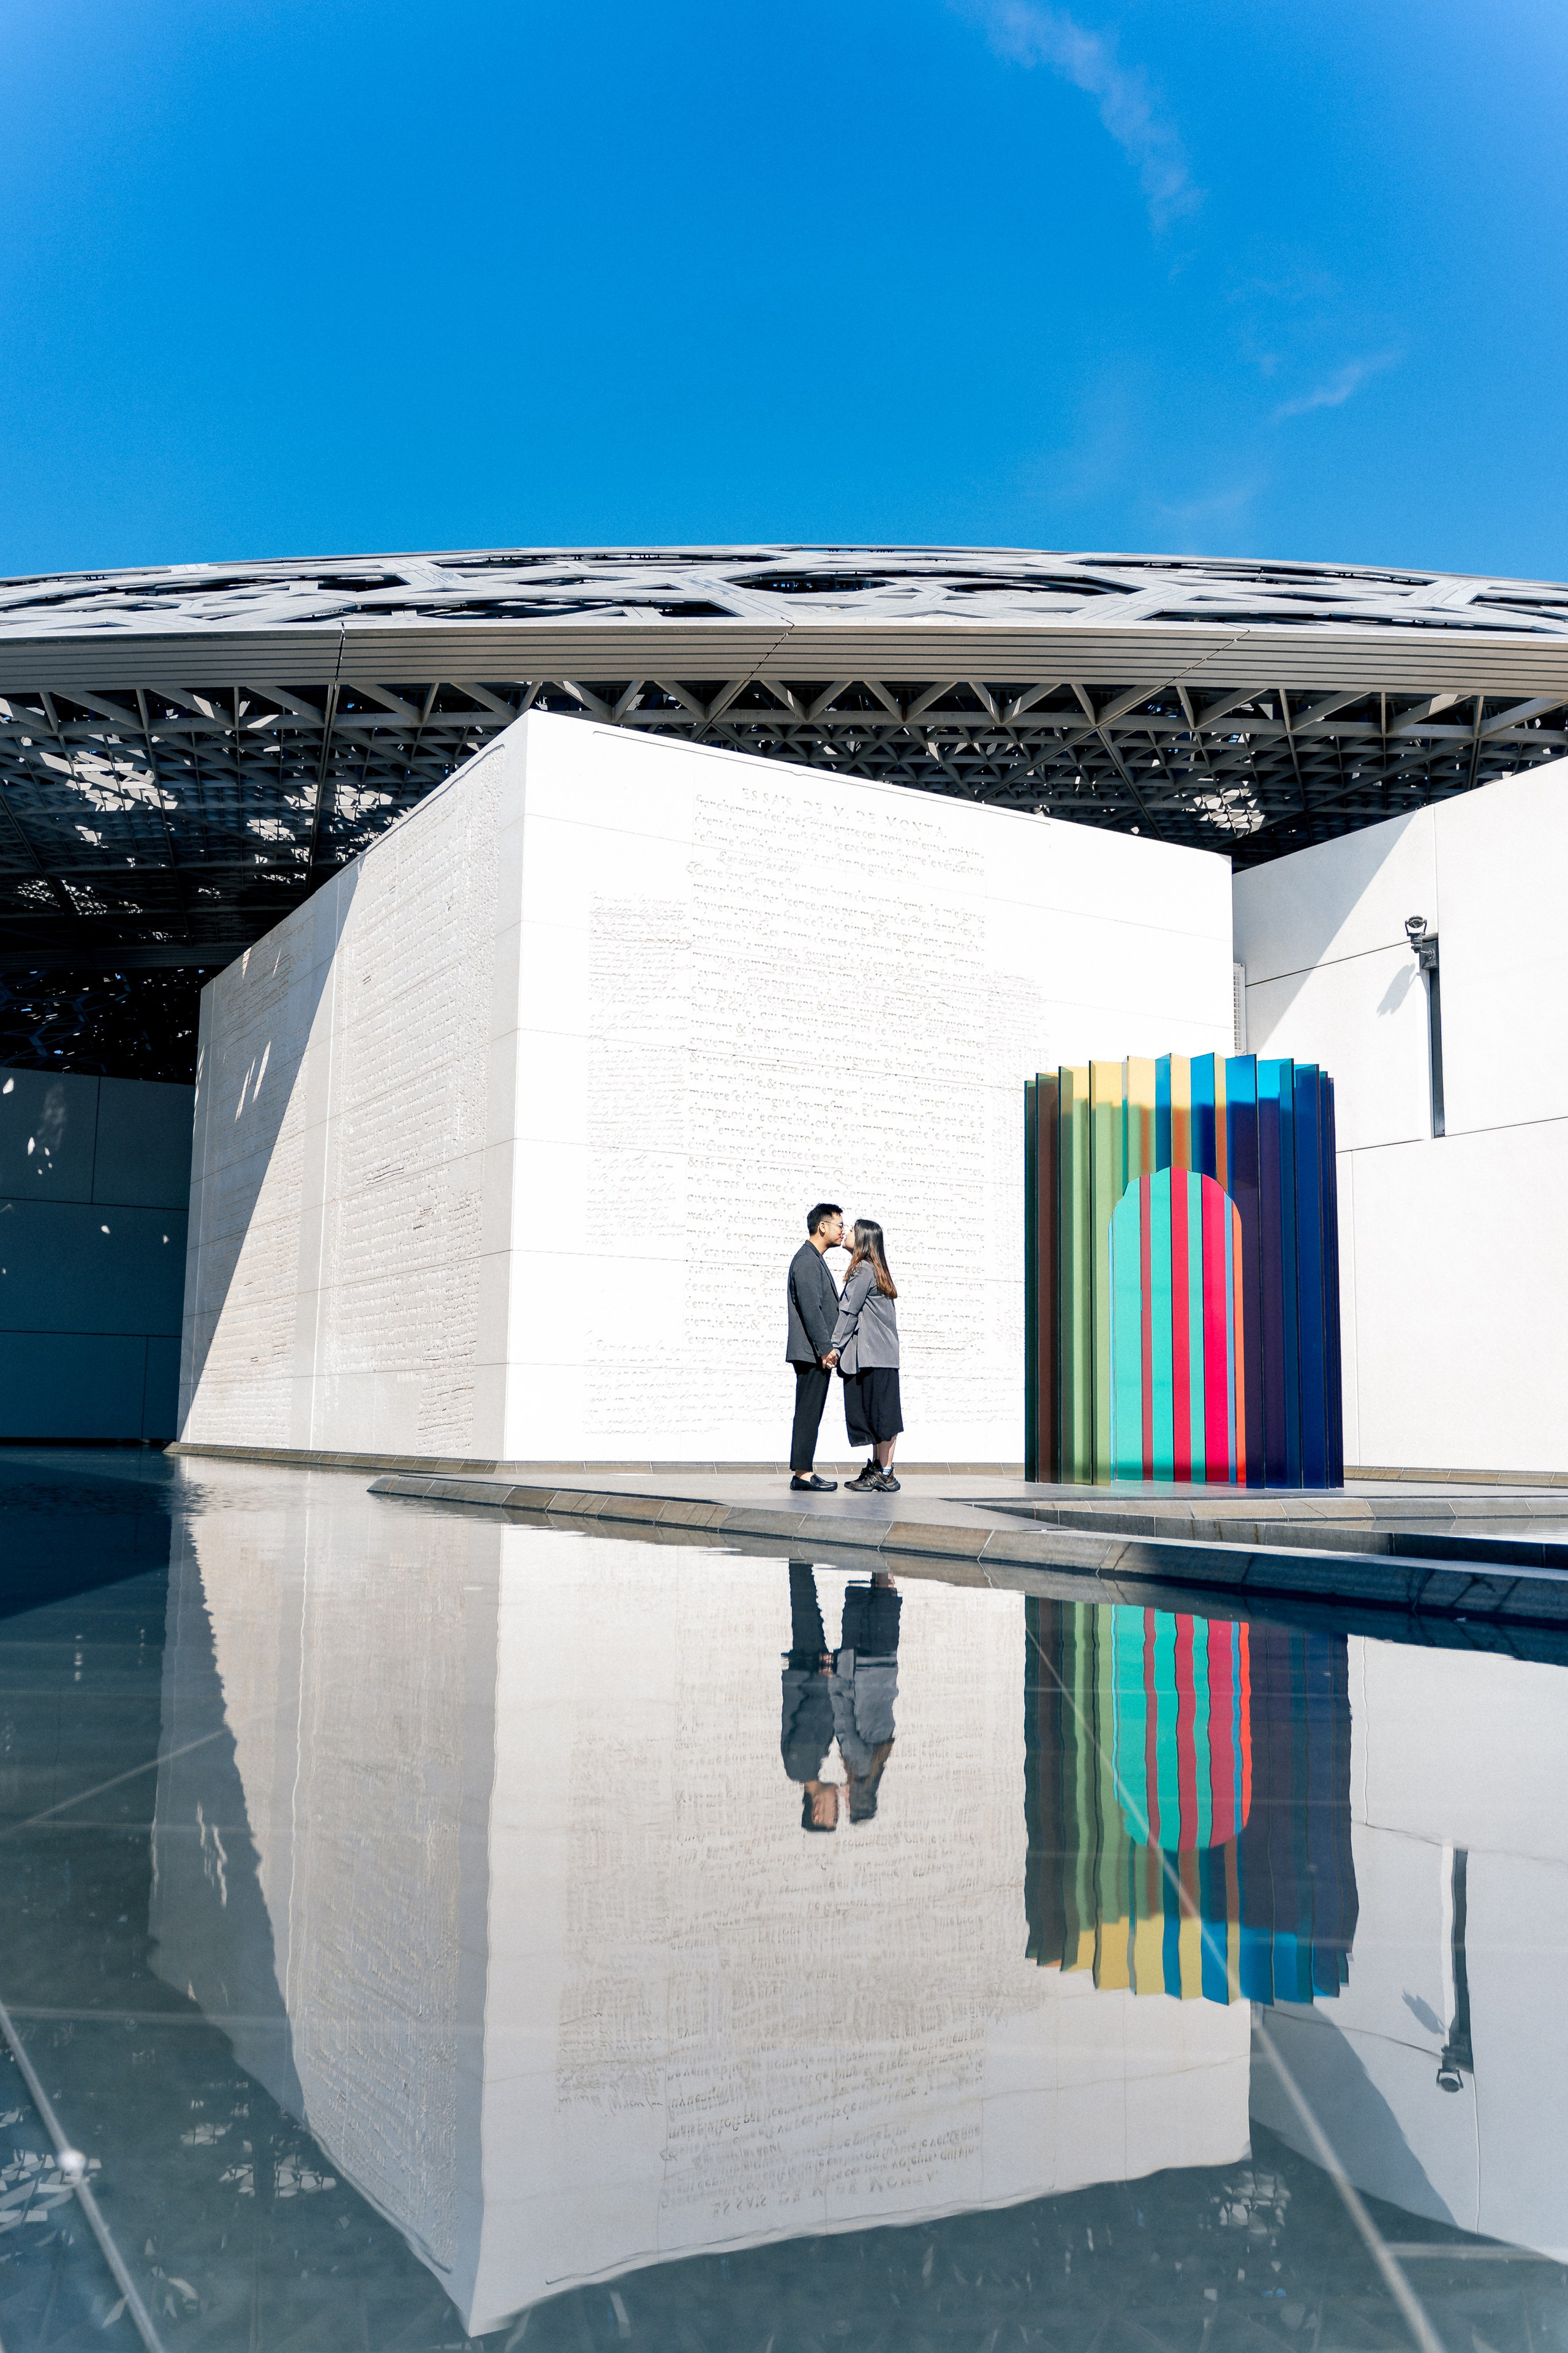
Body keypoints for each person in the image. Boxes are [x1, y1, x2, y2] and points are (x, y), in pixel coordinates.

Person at [826, 1217, 903, 1494]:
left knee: (882, 1417)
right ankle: (880, 1469)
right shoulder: (877, 1269)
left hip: (874, 1356)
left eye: (852, 1231)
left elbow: (849, 1312)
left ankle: (884, 1473)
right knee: (882, 1415)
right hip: (883, 1356)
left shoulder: (863, 1270)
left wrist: (835, 1348)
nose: (846, 1232)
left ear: (863, 1240)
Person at [785, 1203, 844, 1492]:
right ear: (823, 1226)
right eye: (839, 1225)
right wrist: (825, 1349)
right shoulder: (807, 1261)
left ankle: (804, 1470)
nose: (842, 1231)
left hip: (813, 1352)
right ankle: (802, 1473)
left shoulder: (813, 1258)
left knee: (810, 1411)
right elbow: (812, 1309)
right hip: (812, 1354)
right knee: (808, 1411)